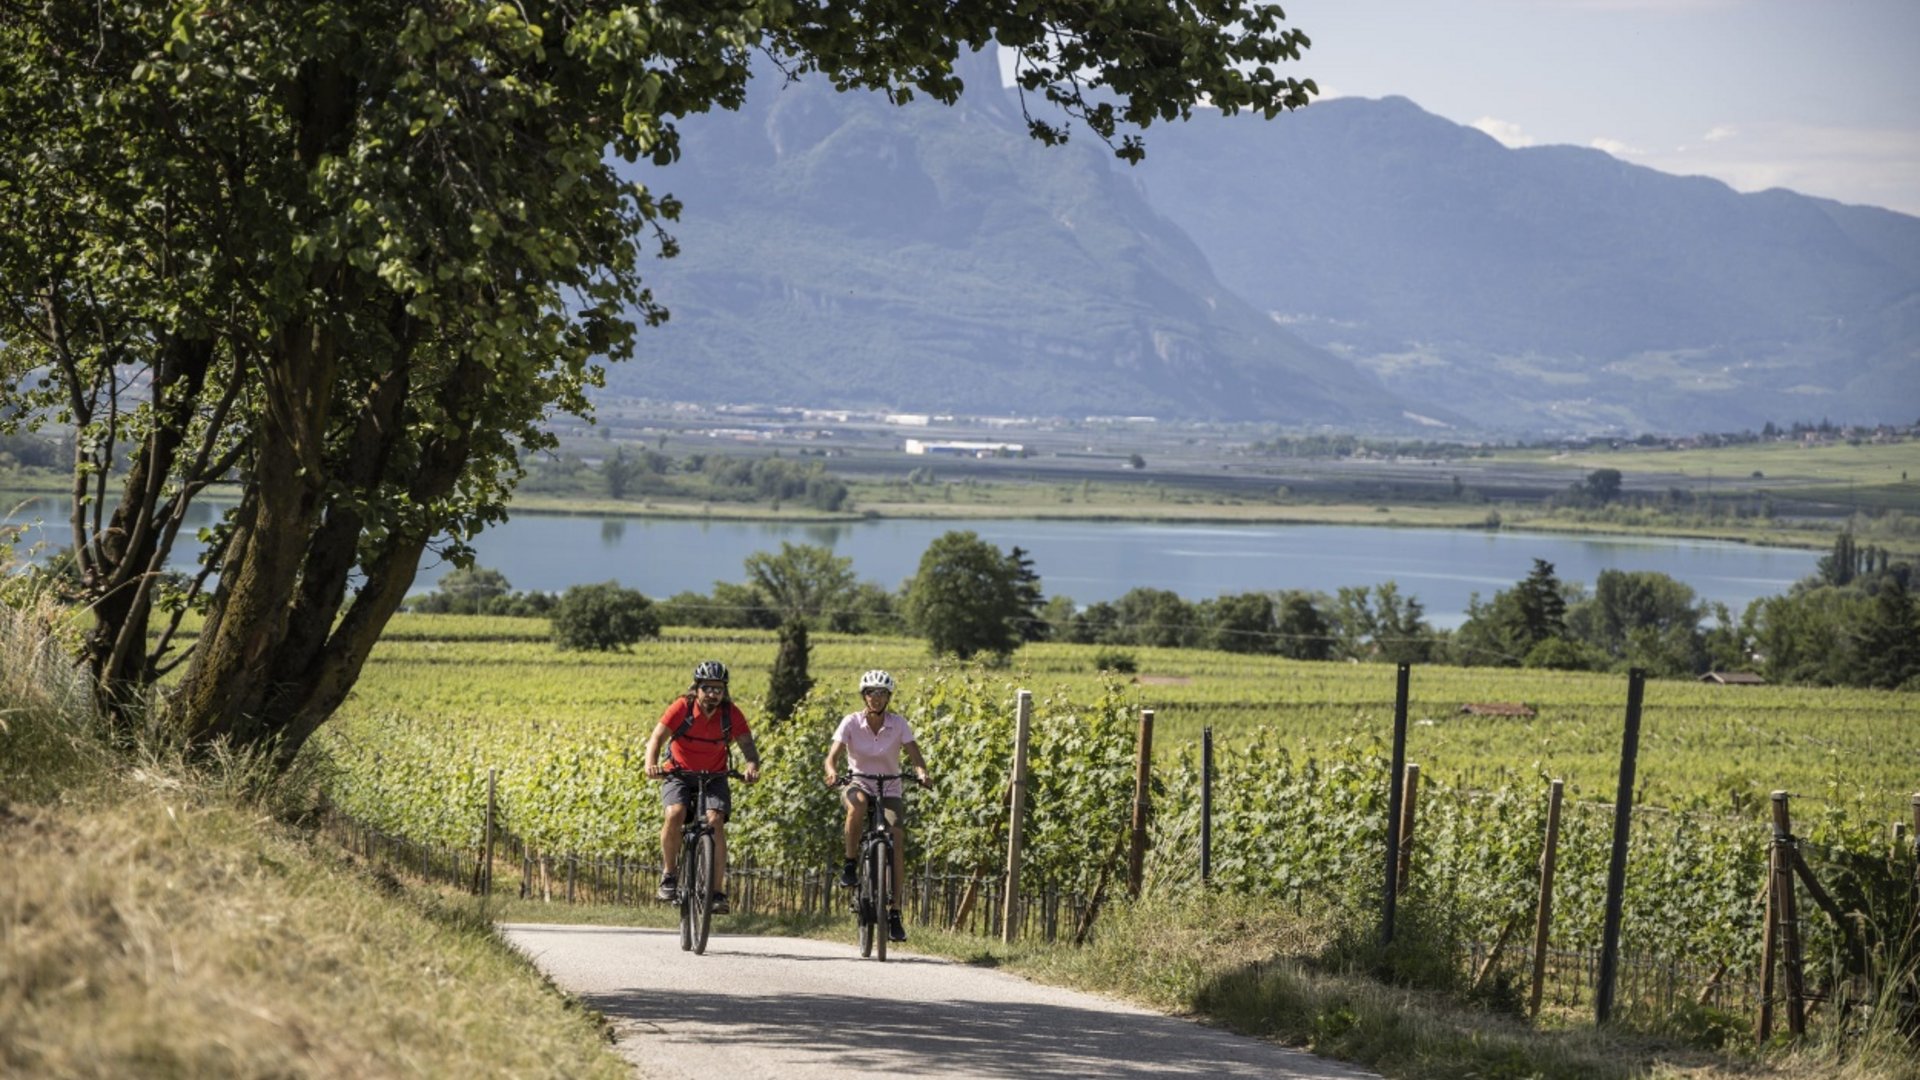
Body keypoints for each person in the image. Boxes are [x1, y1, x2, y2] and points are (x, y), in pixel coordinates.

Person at [645, 659, 760, 915]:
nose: (713, 694)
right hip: (678, 772)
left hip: (715, 776)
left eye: (718, 689)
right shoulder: (681, 708)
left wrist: (751, 766)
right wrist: (651, 764)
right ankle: (669, 874)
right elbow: (656, 738)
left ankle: (717, 891)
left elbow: (747, 746)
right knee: (675, 813)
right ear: (696, 688)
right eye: (707, 688)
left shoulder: (731, 714)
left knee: (715, 820)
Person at [823, 669, 929, 943]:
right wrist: (833, 772)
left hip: (889, 787)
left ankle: (894, 913)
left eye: (882, 693)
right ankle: (849, 863)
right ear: (864, 696)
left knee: (895, 836)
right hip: (858, 782)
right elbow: (831, 757)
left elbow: (916, 756)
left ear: (888, 697)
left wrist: (922, 773)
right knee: (856, 806)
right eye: (871, 692)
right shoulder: (850, 722)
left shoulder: (899, 724)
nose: (876, 698)